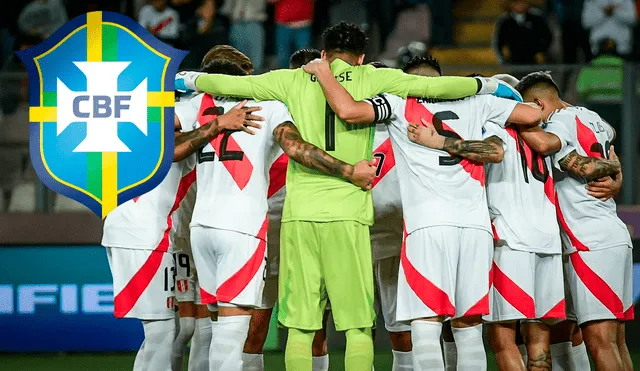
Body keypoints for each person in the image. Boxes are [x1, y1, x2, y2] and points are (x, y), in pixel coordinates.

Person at [174, 21, 511, 371]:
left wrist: (186, 79)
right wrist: (486, 84)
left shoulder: (289, 80)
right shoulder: (373, 77)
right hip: (349, 212)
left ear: (322, 53)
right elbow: (431, 86)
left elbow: (231, 83)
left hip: (300, 215)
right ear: (361, 57)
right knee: (357, 327)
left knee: (302, 327)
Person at [302, 54, 544, 371]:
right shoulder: (477, 102)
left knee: (426, 326)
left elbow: (347, 109)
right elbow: (530, 115)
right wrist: (489, 88)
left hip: (427, 227)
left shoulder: (399, 103)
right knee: (468, 329)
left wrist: (323, 71)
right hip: (475, 228)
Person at [173, 44, 376, 371]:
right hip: (242, 229)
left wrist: (214, 123)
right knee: (231, 333)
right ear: (246, 79)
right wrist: (349, 171)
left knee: (212, 327)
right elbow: (297, 149)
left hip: (201, 229)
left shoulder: (201, 104)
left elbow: (164, 139)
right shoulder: (268, 106)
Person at [101, 102, 255, 371]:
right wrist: (217, 123)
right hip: (143, 234)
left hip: (131, 230)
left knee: (164, 330)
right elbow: (170, 148)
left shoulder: (130, 129)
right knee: (161, 331)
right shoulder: (159, 133)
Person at [515, 71, 633, 371]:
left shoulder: (559, 122)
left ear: (539, 103)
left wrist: (507, 117)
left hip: (589, 240)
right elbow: (612, 147)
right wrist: (616, 175)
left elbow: (548, 146)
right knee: (617, 342)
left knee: (600, 342)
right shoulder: (593, 117)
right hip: (611, 233)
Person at [493, 0, 553, 64]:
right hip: (513, 60)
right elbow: (499, 41)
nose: (520, 5)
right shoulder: (504, 22)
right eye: (516, 3)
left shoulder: (537, 19)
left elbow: (547, 37)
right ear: (511, 5)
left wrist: (542, 52)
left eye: (522, 3)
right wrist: (503, 56)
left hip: (534, 59)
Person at [220, 0, 267, 73]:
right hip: (236, 22)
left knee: (255, 60)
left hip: (253, 21)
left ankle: (255, 82)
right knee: (237, 59)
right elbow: (227, 8)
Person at [271, 0, 314, 69]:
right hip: (283, 26)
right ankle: (285, 79)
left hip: (303, 25)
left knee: (304, 60)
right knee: (283, 59)